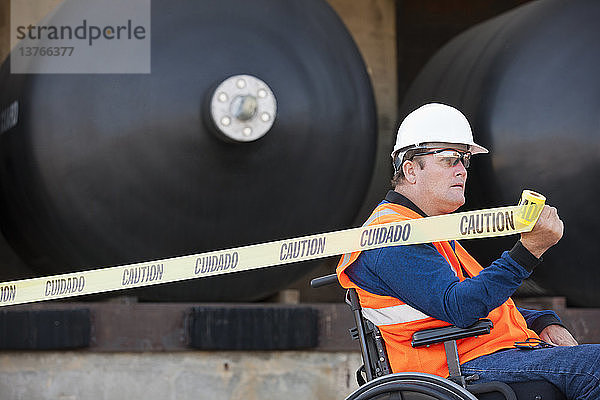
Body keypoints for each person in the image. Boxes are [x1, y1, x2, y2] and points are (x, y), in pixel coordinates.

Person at [336, 103, 599, 399]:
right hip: (453, 368)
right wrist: (527, 251)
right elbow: (460, 307)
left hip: (477, 354)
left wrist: (542, 320)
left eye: (465, 161)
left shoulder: (425, 228)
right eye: (450, 159)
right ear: (410, 170)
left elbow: (482, 304)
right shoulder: (392, 235)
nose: (462, 170)